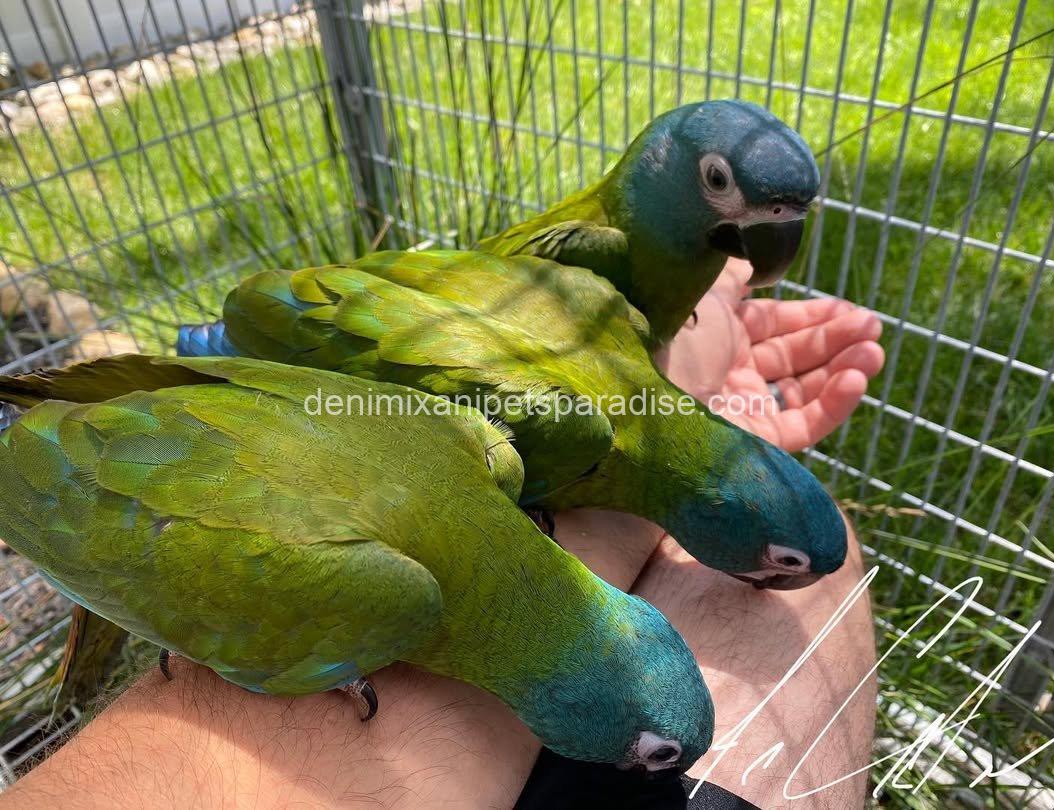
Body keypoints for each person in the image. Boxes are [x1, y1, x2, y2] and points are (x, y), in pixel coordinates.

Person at [0, 261, 884, 810]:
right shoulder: (382, 603)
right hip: (86, 470)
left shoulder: (487, 454)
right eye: (648, 758)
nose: (654, 772)